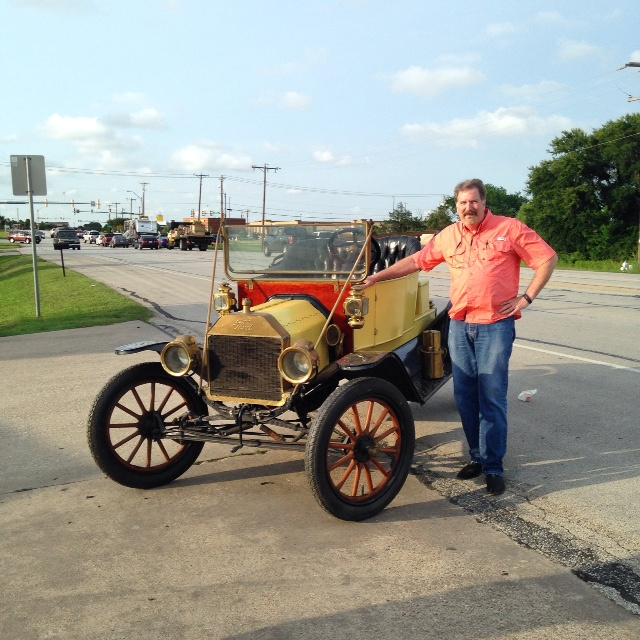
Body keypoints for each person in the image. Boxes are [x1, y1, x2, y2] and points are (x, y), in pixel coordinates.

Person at [361, 179, 557, 495]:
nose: (469, 208)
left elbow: (547, 258)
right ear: (457, 206)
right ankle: (476, 458)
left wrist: (527, 298)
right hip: (459, 325)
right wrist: (376, 277)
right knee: (466, 397)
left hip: (495, 325)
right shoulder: (448, 236)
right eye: (463, 203)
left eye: (474, 202)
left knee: (491, 397)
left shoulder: (510, 229)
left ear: (484, 202)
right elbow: (415, 261)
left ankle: (494, 467)